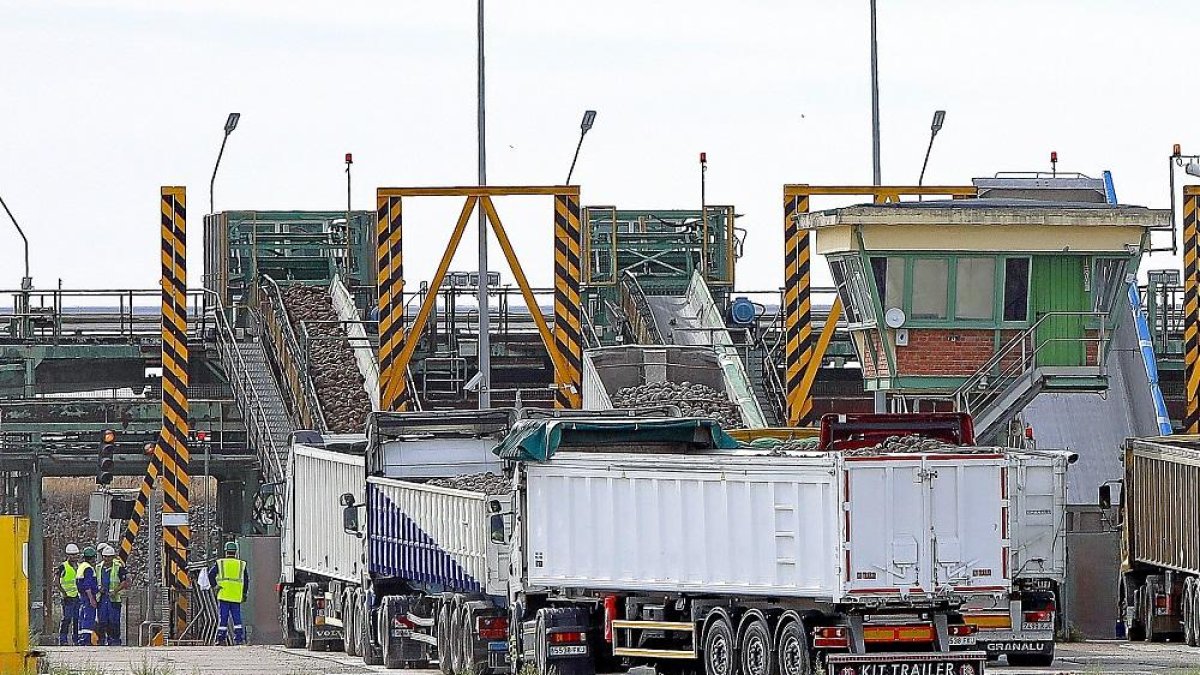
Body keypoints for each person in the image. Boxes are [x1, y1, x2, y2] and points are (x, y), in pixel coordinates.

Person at [209, 541, 248, 645]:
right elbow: (246, 580)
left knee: (223, 618)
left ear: (226, 552)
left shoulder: (220, 563)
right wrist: (244, 594)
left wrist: (215, 586)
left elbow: (210, 575)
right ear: (235, 552)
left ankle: (221, 639)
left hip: (224, 595)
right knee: (237, 618)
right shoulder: (241, 564)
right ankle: (239, 639)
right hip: (236, 595)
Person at [97, 544, 128, 646]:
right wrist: (99, 589)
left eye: (109, 557)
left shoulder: (118, 567)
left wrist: (115, 591)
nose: (107, 559)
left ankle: (115, 641)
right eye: (105, 556)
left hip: (114, 599)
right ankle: (101, 640)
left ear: (113, 557)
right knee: (102, 620)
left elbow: (124, 582)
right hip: (102, 598)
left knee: (114, 621)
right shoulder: (98, 567)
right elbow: (96, 581)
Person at [55, 543, 81, 645]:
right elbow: (56, 581)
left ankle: (76, 640)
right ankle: (63, 640)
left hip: (77, 597)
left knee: (76, 619)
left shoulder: (79, 567)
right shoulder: (63, 566)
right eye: (72, 555)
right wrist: (63, 593)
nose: (74, 557)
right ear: (68, 555)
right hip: (67, 598)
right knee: (66, 619)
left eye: (75, 555)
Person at [75, 546, 100, 646]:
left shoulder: (81, 566)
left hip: (82, 596)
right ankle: (86, 639)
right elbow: (87, 585)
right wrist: (92, 599)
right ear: (92, 558)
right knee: (89, 617)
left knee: (83, 617)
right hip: (87, 596)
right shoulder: (88, 569)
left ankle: (82, 638)